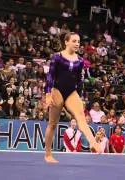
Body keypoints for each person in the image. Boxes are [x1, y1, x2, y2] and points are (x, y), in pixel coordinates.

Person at [44, 32, 101, 163]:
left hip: (71, 92)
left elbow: (79, 81)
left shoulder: (80, 61)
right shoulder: (57, 57)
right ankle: (48, 154)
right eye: (74, 41)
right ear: (66, 42)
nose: (77, 44)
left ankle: (93, 143)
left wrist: (80, 96)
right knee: (52, 124)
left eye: (78, 42)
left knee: (81, 118)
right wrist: (48, 95)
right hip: (57, 90)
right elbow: (50, 76)